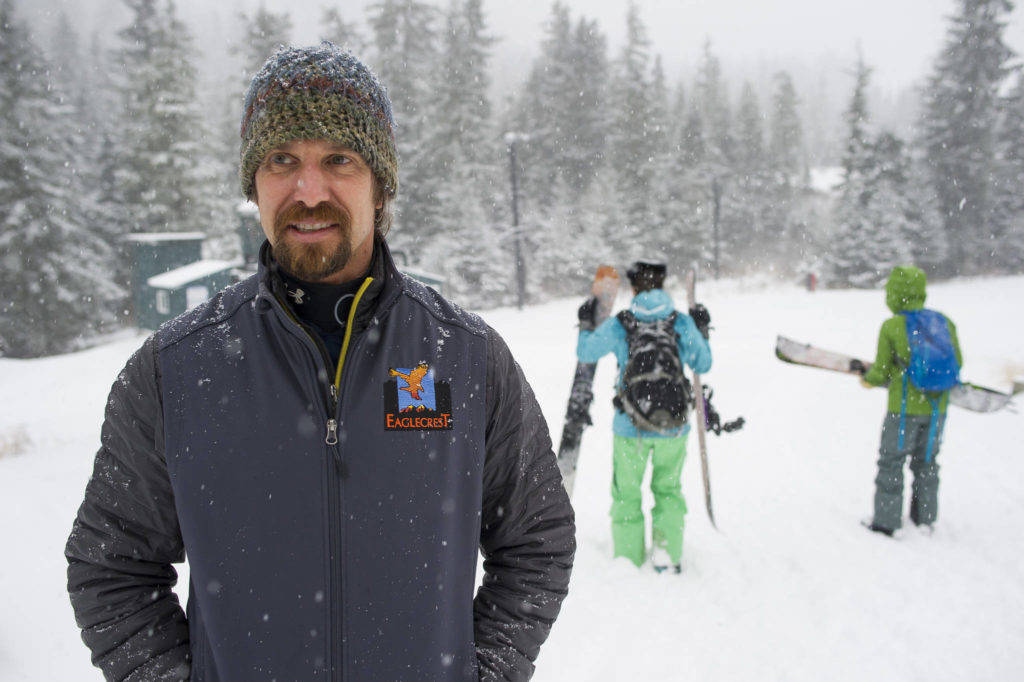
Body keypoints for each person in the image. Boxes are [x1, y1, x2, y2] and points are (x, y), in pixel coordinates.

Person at [65, 43, 574, 682]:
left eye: (339, 159)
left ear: (380, 184)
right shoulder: (175, 373)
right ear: (253, 183)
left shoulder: (466, 361)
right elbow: (109, 565)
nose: (309, 190)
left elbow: (537, 539)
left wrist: (485, 672)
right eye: (283, 160)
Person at [575, 261, 711, 573]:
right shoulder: (679, 322)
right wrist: (702, 329)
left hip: (630, 427)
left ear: (633, 288)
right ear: (662, 286)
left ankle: (628, 558)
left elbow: (586, 353)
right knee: (668, 491)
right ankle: (667, 557)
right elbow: (703, 363)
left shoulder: (622, 323)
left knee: (626, 493)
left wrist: (585, 324)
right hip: (674, 428)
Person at [857, 265, 962, 536]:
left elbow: (880, 370)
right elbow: (957, 363)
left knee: (892, 462)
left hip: (902, 411)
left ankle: (886, 522)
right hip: (937, 410)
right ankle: (925, 518)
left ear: (894, 294)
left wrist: (868, 379)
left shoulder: (892, 326)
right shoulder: (943, 322)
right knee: (927, 463)